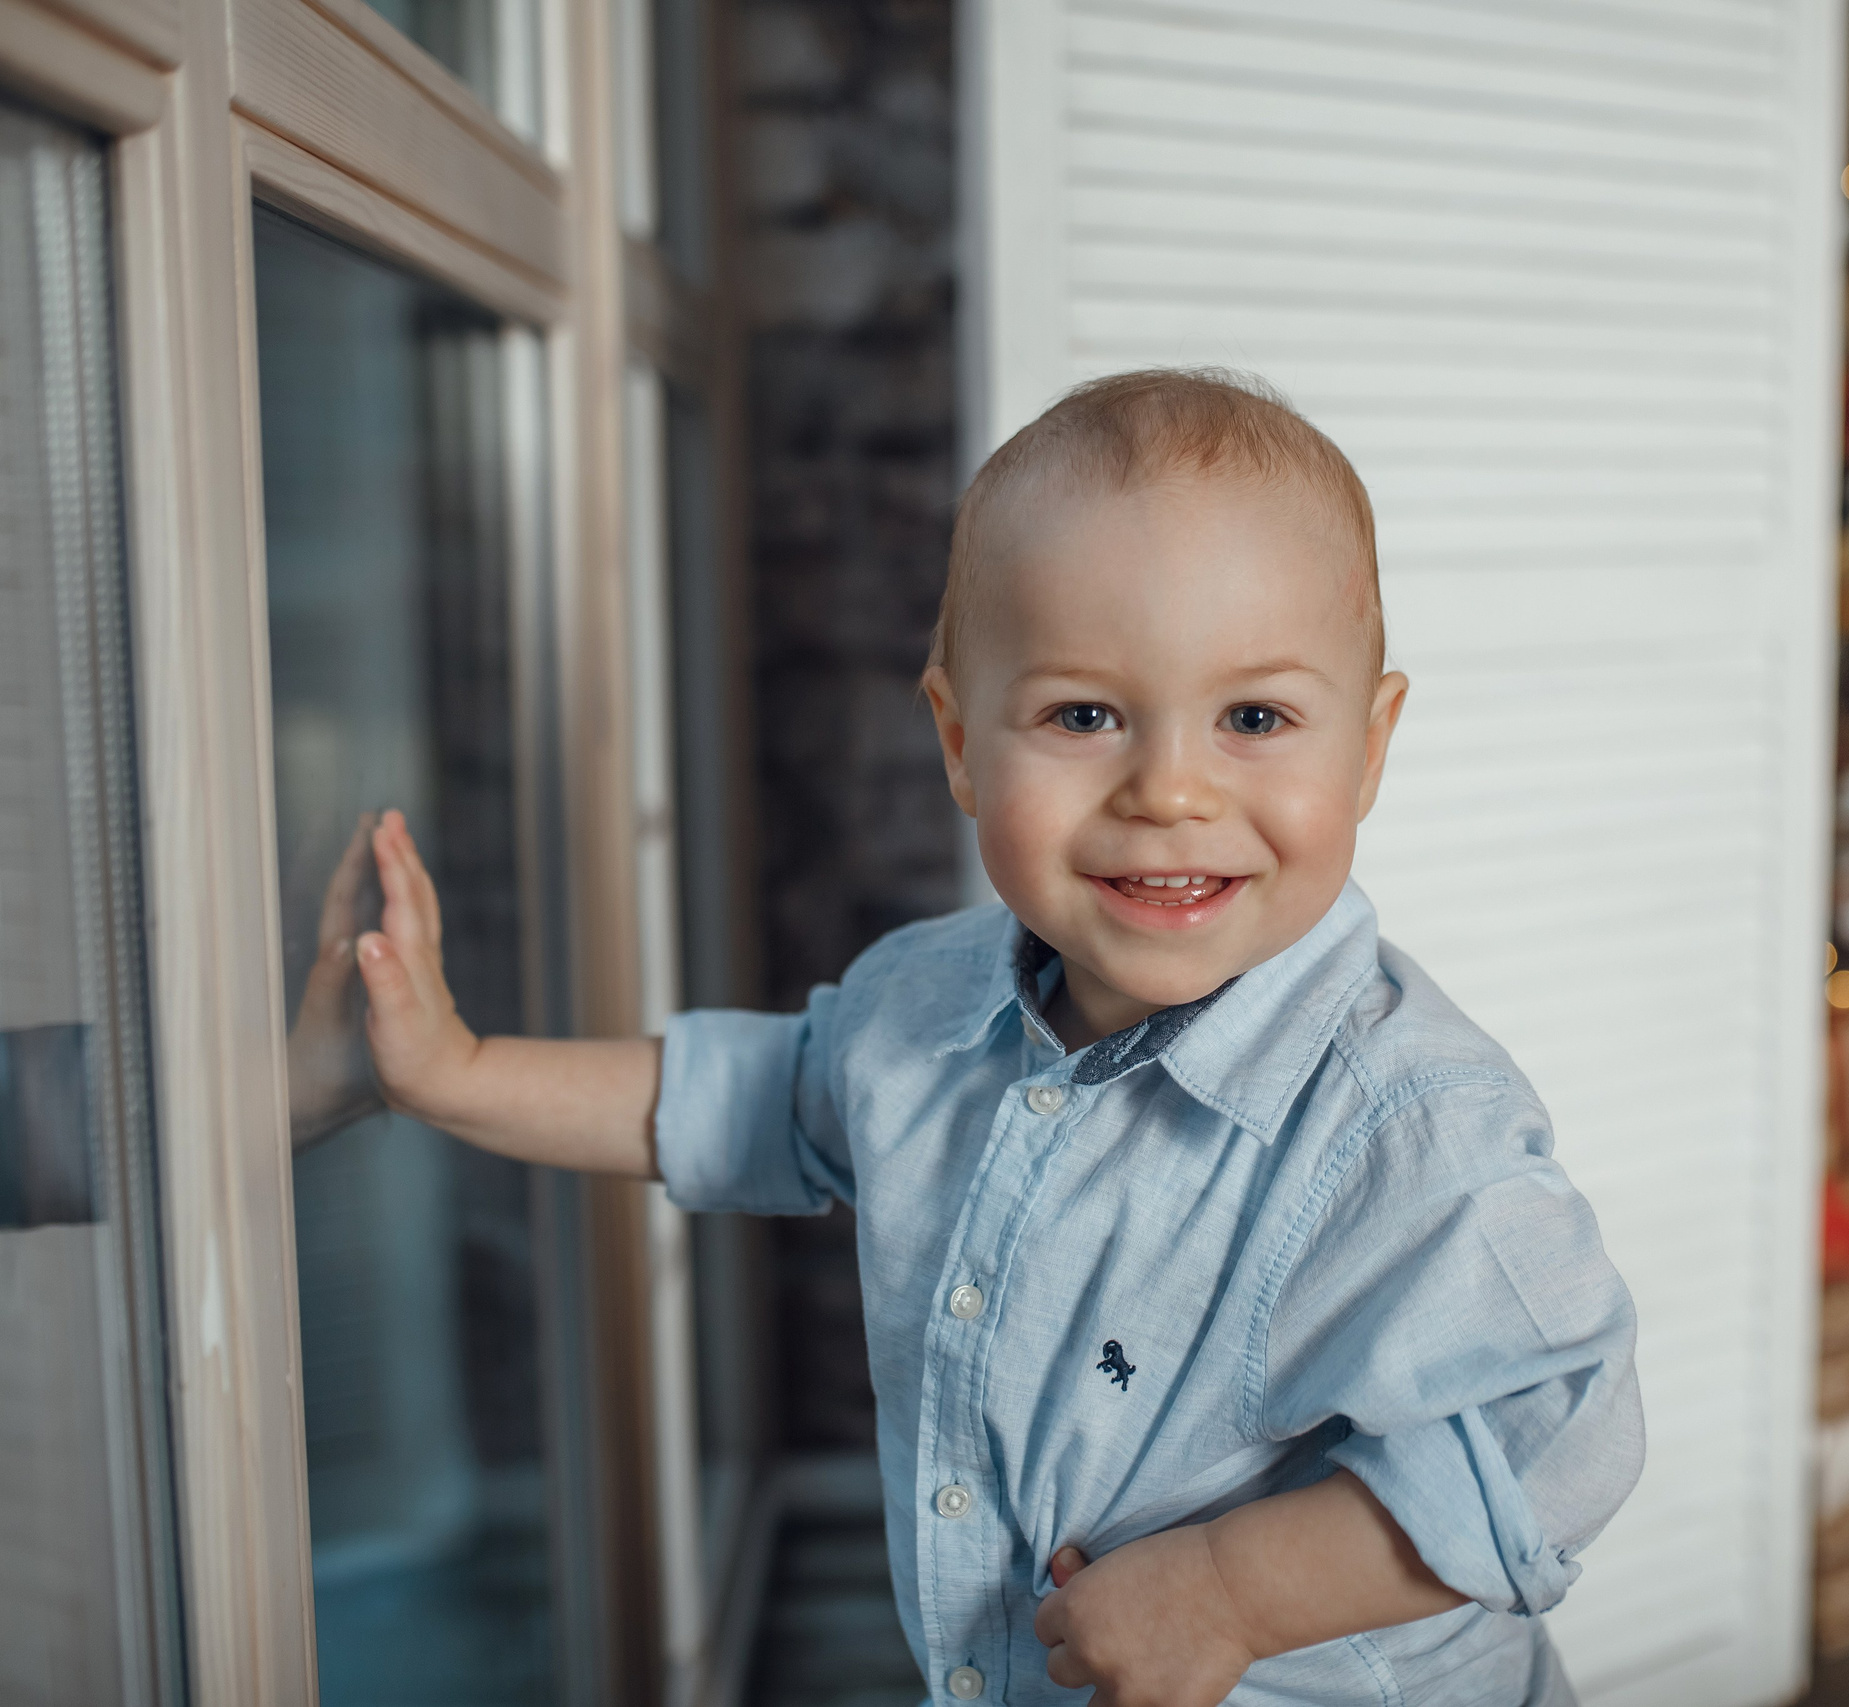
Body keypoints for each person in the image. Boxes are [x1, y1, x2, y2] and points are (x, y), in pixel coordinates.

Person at [349, 368, 1643, 1706]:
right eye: (1085, 716)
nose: (1170, 790)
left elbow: (1564, 1430)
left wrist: (1234, 1589)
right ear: (963, 745)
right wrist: (456, 1073)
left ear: (1368, 750)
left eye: (1254, 718)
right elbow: (747, 1100)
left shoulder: (1401, 1124)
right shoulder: (927, 1007)